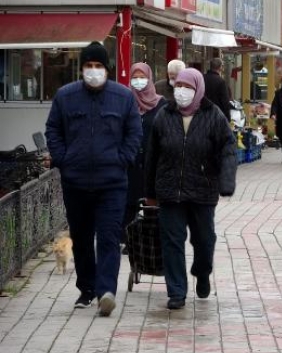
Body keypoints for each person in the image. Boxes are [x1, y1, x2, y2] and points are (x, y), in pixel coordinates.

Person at [45, 41, 142, 316]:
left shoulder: (123, 97)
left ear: (107, 70)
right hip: (75, 182)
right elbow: (53, 129)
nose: (93, 71)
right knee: (82, 238)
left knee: (109, 238)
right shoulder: (65, 96)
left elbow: (134, 132)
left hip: (112, 183)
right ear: (81, 68)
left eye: (98, 66)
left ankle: (106, 292)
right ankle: (87, 289)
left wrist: (122, 159)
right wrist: (63, 159)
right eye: (88, 65)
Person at [145, 68, 237, 310]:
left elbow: (228, 149)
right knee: (172, 241)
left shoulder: (214, 115)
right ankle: (176, 291)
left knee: (204, 240)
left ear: (198, 90)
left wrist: (227, 181)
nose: (182, 92)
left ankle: (202, 271)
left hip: (203, 190)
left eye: (188, 87)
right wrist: (150, 193)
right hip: (170, 191)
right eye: (179, 87)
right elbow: (152, 156)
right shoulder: (164, 115)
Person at [122, 63, 167, 253]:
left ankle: (151, 239)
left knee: (152, 202)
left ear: (149, 78)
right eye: (135, 77)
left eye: (142, 77)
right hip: (130, 162)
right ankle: (127, 240)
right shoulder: (125, 101)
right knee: (128, 202)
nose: (138, 81)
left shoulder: (161, 104)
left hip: (153, 162)